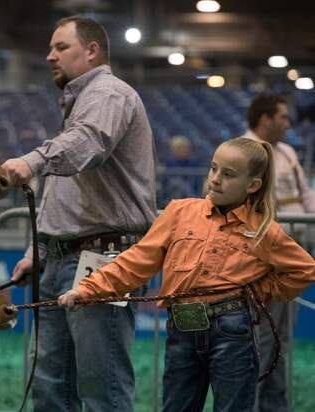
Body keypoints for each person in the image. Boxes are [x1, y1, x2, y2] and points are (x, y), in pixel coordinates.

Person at [59, 137, 315, 412]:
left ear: (252, 185)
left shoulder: (266, 230)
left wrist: (258, 292)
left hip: (234, 332)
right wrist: (87, 289)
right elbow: (135, 261)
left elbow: (304, 270)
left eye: (228, 175)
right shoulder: (179, 212)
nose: (216, 179)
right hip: (182, 329)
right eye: (213, 168)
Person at [2, 16, 156, 411]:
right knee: (51, 388)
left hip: (103, 259)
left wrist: (34, 159)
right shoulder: (81, 103)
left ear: (91, 51)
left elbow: (90, 144)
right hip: (61, 260)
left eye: (60, 47)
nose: (49, 55)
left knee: (101, 386)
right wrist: (36, 250)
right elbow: (64, 189)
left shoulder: (109, 94)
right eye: (51, 48)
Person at [240, 93, 315, 412]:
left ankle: (275, 406)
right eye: (283, 117)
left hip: (294, 252)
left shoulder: (285, 151)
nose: (288, 123)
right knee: (260, 337)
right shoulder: (242, 151)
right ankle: (250, 405)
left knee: (281, 337)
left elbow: (305, 195)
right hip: (261, 258)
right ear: (265, 119)